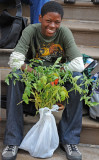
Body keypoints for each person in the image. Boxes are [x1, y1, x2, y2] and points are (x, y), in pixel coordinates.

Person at [2, 1, 85, 160]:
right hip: (34, 76)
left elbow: (78, 64)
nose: (52, 26)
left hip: (57, 77)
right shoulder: (30, 31)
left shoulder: (64, 33)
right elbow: (14, 60)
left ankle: (69, 140)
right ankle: (13, 140)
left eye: (57, 22)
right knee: (14, 77)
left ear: (61, 22)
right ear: (40, 18)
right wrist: (35, 73)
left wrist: (55, 73)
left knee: (78, 80)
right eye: (48, 21)